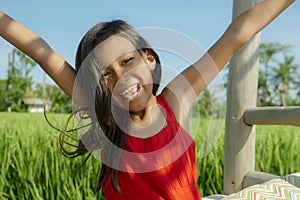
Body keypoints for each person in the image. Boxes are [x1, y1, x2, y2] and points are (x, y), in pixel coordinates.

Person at [0, 0, 295, 199]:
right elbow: (41, 52)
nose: (121, 78)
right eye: (106, 75)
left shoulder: (177, 100)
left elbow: (237, 34)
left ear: (149, 59)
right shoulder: (108, 120)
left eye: (127, 62)